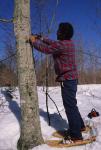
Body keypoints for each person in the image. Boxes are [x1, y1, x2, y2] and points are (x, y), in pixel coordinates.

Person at [29, 22, 85, 141]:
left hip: (67, 79)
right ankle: (80, 126)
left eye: (58, 30)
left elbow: (46, 49)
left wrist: (34, 41)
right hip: (71, 78)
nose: (56, 32)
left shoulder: (62, 45)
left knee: (69, 106)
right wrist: (42, 38)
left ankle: (76, 135)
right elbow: (53, 43)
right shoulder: (68, 43)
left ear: (62, 33)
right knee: (72, 104)